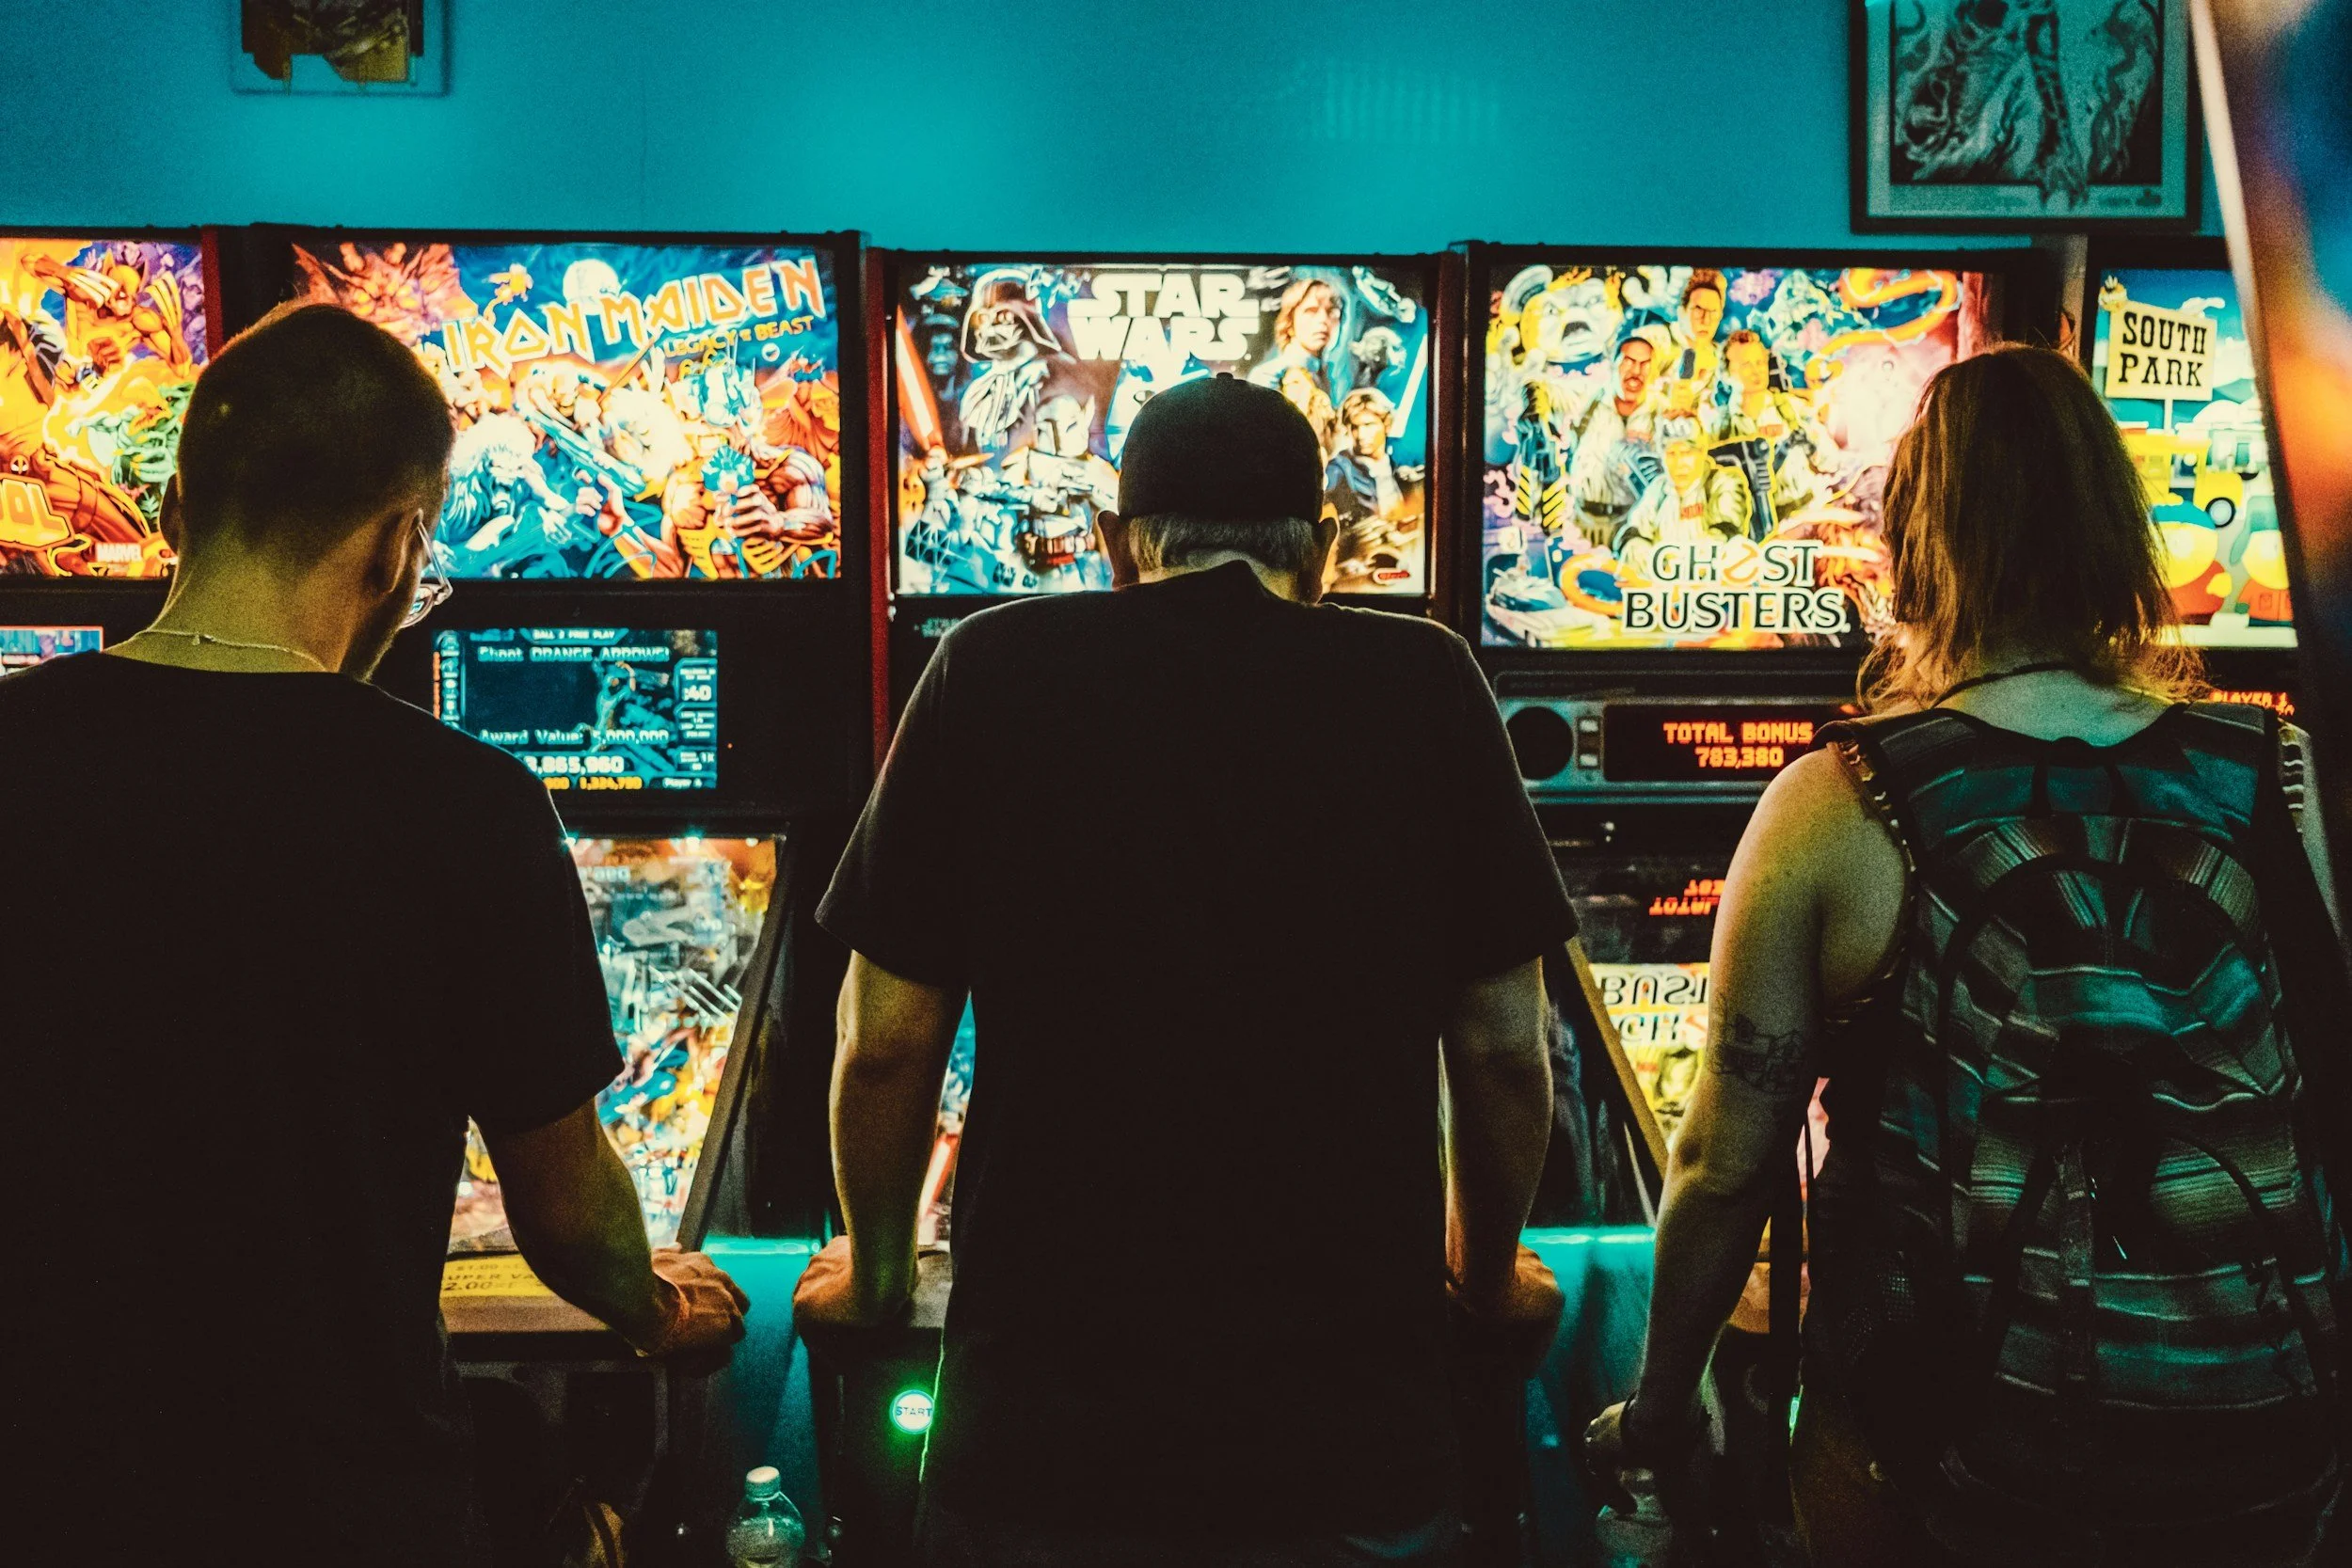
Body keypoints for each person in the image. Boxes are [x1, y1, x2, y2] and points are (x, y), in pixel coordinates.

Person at [2, 303, 748, 1566]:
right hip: (336, 1492)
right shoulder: (466, 806)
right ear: (402, 544)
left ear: (176, 510)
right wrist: (653, 1309)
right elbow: (565, 1210)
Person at [1587, 344, 2346, 1565]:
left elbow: (1725, 1162)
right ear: (2119, 528)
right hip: (2262, 1429)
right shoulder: (2273, 772)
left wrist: (1656, 1413)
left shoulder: (1841, 800)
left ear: (1913, 534)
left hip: (1937, 1451)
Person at [794, 373, 1571, 1566]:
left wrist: (878, 1276)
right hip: (1349, 1424)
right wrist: (1479, 1271)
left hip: (1042, 1425)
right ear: (1321, 547)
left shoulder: (990, 666)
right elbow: (1506, 1052)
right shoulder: (1426, 682)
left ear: (1114, 543)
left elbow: (886, 1040)